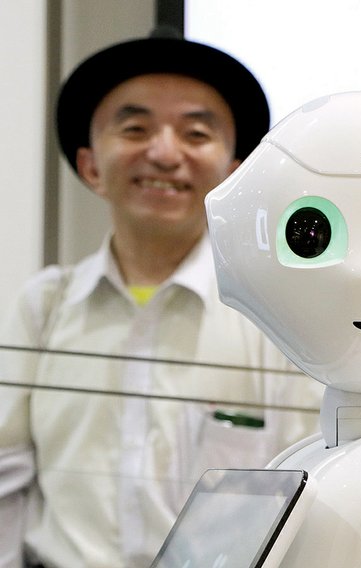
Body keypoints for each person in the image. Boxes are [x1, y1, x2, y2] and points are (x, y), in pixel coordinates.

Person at [0, 29, 321, 568]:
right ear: (90, 166)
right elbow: (6, 474)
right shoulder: (44, 306)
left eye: (196, 133)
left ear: (233, 174)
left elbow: (317, 486)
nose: (164, 153)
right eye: (135, 128)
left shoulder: (275, 315)